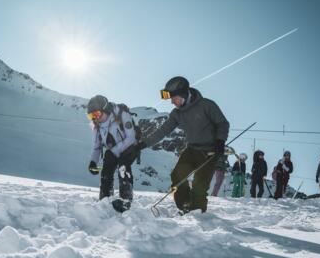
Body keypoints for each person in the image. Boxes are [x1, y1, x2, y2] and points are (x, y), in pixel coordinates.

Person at [137, 76, 229, 214]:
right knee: (177, 175)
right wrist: (142, 144)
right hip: (192, 149)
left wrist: (220, 141)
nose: (172, 102)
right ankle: (185, 205)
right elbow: (162, 131)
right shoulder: (177, 113)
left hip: (210, 151)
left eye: (174, 98)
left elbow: (222, 123)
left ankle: (197, 211)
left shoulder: (206, 105)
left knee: (200, 185)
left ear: (184, 95)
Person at [87, 95, 139, 212]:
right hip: (113, 151)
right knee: (106, 168)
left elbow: (131, 138)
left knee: (123, 166)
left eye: (97, 113)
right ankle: (105, 199)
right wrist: (93, 162)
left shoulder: (121, 114)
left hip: (129, 147)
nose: (95, 118)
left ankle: (125, 200)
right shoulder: (96, 125)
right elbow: (97, 146)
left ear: (105, 109)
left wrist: (114, 151)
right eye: (91, 116)